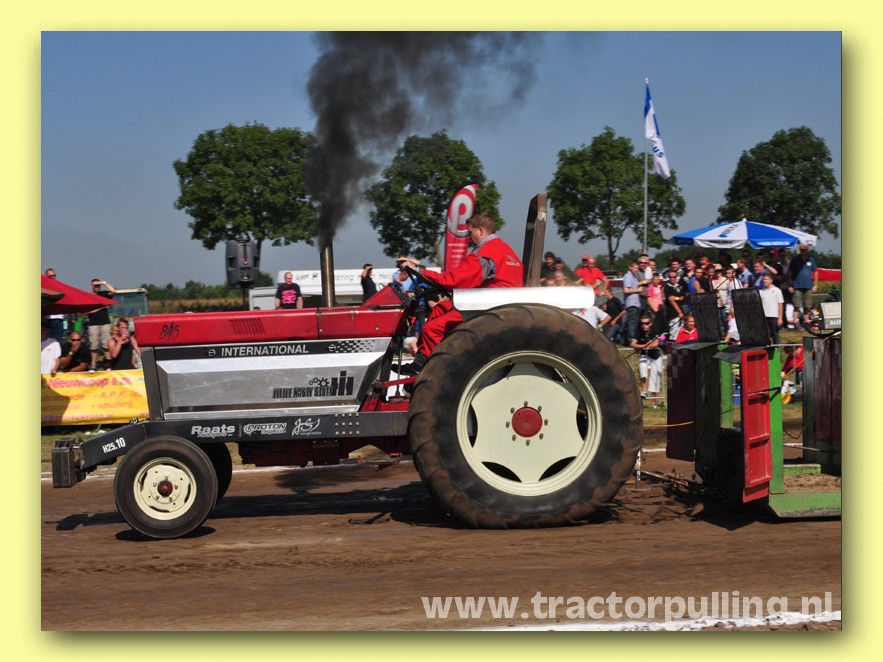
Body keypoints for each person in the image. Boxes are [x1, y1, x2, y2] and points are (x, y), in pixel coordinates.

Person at [394, 211, 523, 375]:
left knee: (432, 329)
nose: (469, 237)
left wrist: (421, 271)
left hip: (487, 308)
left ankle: (426, 368)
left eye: (470, 232)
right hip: (500, 305)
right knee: (440, 309)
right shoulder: (507, 251)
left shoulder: (485, 253)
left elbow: (455, 281)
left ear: (481, 231)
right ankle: (422, 358)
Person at [630, 314, 664, 406]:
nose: (644, 325)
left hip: (656, 355)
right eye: (642, 323)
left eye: (646, 323)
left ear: (651, 323)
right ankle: (644, 390)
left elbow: (656, 344)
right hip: (645, 354)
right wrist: (645, 345)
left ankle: (654, 403)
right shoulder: (638, 330)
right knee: (642, 366)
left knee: (655, 377)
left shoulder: (655, 329)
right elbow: (632, 344)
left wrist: (641, 346)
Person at [87, 278, 116, 371]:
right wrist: (102, 306)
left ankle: (108, 363)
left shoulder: (104, 294)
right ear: (92, 286)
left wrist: (104, 283)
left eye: (98, 285)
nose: (97, 287)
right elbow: (88, 311)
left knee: (106, 344)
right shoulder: (88, 296)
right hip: (93, 323)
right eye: (95, 285)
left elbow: (113, 291)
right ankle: (93, 365)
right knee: (94, 345)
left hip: (105, 322)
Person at [788, 245, 818, 327]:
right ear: (800, 250)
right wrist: (790, 285)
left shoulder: (811, 259)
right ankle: (795, 323)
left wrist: (815, 285)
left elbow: (815, 272)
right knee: (796, 306)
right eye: (802, 250)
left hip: (808, 286)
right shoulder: (794, 259)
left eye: (805, 250)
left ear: (807, 250)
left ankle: (806, 323)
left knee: (807, 307)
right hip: (797, 286)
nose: (803, 251)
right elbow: (790, 273)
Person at [758, 273, 784, 345]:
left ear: (771, 280)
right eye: (763, 279)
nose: (764, 281)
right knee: (766, 335)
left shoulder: (777, 290)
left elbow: (780, 304)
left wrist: (780, 318)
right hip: (764, 316)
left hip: (774, 316)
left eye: (766, 279)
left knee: (775, 334)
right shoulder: (761, 291)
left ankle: (777, 349)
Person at [621, 261, 643, 344]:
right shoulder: (628, 276)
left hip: (636, 303)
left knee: (635, 322)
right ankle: (631, 340)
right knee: (632, 322)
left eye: (637, 268)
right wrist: (637, 290)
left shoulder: (634, 276)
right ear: (630, 267)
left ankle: (633, 339)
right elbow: (626, 290)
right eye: (635, 268)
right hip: (631, 303)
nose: (636, 270)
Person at [663, 267, 688, 337]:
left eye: (674, 277)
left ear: (676, 277)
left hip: (681, 311)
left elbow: (683, 297)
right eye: (670, 277)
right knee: (674, 333)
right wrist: (679, 312)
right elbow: (671, 300)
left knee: (681, 333)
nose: (672, 278)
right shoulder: (667, 287)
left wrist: (677, 298)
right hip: (673, 313)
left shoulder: (679, 286)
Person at [44, 268, 65, 342]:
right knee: (47, 341)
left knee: (57, 342)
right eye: (51, 276)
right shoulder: (44, 288)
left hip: (58, 319)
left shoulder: (60, 287)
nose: (53, 277)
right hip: (48, 319)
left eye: (54, 276)